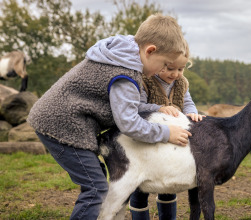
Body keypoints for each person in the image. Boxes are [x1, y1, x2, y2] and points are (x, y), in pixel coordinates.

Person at [27, 14, 192, 220]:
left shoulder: (122, 53)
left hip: (61, 120)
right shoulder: (126, 75)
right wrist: (166, 132)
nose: (162, 70)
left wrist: (157, 110)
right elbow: (129, 123)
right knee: (96, 189)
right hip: (62, 126)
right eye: (164, 64)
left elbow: (130, 109)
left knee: (96, 179)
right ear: (150, 50)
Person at [129, 43, 205, 220]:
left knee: (168, 184)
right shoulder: (144, 81)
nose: (175, 74)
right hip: (146, 141)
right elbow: (138, 106)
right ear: (159, 63)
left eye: (181, 68)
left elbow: (187, 103)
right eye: (170, 68)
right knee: (141, 187)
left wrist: (192, 113)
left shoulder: (182, 83)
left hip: (171, 143)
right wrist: (158, 108)